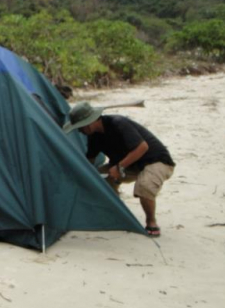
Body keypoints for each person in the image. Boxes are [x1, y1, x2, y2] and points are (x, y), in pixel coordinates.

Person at [64, 102, 175, 237]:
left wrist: (119, 167)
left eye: (80, 127)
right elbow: (90, 160)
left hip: (156, 161)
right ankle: (115, 208)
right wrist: (82, 173)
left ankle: (151, 221)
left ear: (90, 122)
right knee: (99, 178)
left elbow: (142, 147)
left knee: (144, 186)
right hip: (130, 165)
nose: (79, 131)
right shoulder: (94, 136)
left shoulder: (119, 123)